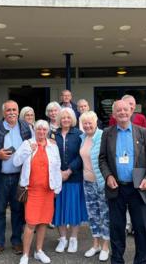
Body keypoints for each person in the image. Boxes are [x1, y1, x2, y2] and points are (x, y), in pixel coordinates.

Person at [99, 99, 146, 264]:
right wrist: (108, 176)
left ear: (131, 111)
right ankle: (117, 259)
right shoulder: (107, 133)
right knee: (117, 228)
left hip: (138, 187)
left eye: (126, 110)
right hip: (116, 187)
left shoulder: (144, 133)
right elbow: (102, 159)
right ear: (114, 114)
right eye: (119, 110)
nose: (123, 113)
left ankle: (141, 260)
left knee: (141, 227)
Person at [0, 100, 32, 257]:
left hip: (20, 177)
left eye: (14, 110)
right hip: (1, 177)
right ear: (3, 112)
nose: (11, 112)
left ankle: (16, 241)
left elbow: (33, 146)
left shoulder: (26, 127)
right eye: (8, 110)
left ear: (18, 112)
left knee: (17, 210)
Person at [13, 120, 63, 264]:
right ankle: (25, 254)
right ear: (34, 130)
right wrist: (28, 150)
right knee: (31, 223)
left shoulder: (53, 146)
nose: (41, 132)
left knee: (43, 222)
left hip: (48, 190)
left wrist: (57, 188)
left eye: (44, 129)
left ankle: (39, 251)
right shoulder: (27, 143)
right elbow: (16, 161)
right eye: (39, 129)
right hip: (32, 190)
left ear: (48, 131)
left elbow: (57, 166)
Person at [53, 108, 88, 253]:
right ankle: (62, 239)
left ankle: (73, 239)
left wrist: (69, 170)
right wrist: (58, 172)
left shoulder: (79, 135)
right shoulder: (53, 134)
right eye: (63, 117)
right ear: (59, 119)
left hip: (74, 177)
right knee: (59, 209)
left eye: (68, 117)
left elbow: (82, 155)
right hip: (56, 178)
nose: (65, 119)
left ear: (72, 119)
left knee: (74, 209)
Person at [79, 111, 110, 262]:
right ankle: (95, 244)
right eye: (84, 123)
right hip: (87, 182)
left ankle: (105, 246)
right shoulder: (83, 137)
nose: (87, 125)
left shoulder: (103, 136)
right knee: (93, 215)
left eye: (90, 122)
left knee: (105, 214)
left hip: (101, 182)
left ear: (96, 122)